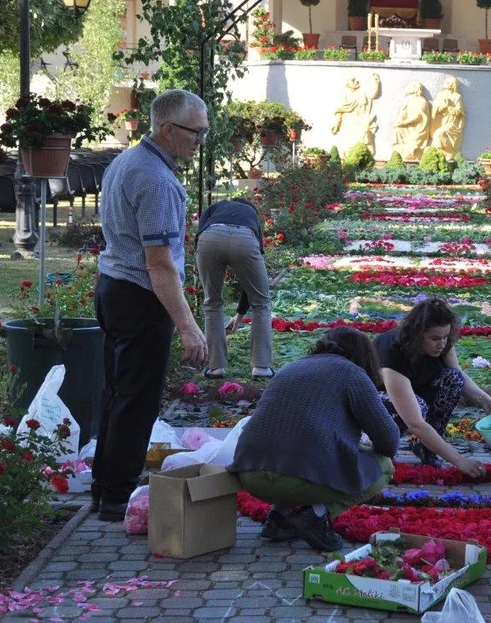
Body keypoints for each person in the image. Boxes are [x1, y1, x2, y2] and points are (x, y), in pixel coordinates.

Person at [92, 89, 209, 522]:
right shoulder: (158, 182)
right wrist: (188, 326)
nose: (200, 141)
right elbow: (159, 265)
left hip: (114, 287)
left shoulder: (126, 160)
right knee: (137, 399)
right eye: (195, 133)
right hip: (140, 297)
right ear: (168, 130)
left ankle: (106, 485)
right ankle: (117, 496)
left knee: (118, 391)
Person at [227, 327, 400, 552]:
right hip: (299, 481)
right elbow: (390, 442)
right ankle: (315, 515)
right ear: (366, 356)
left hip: (250, 477)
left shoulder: (290, 367)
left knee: (292, 449)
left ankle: (279, 516)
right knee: (384, 466)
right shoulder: (353, 374)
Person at [375, 297, 491, 475]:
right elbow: (415, 422)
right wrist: (460, 460)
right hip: (376, 402)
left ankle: (427, 447)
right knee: (418, 406)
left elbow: (459, 376)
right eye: (435, 338)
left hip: (417, 394)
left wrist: (484, 400)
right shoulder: (393, 351)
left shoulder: (442, 343)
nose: (441, 344)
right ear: (417, 335)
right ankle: (379, 449)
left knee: (453, 379)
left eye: (445, 337)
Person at [195, 198, 274, 380]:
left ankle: (215, 368)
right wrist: (241, 313)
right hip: (244, 239)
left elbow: (200, 231)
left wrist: (239, 314)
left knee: (212, 303)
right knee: (261, 303)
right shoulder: (251, 215)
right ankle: (261, 367)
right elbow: (252, 285)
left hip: (210, 238)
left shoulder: (216, 208)